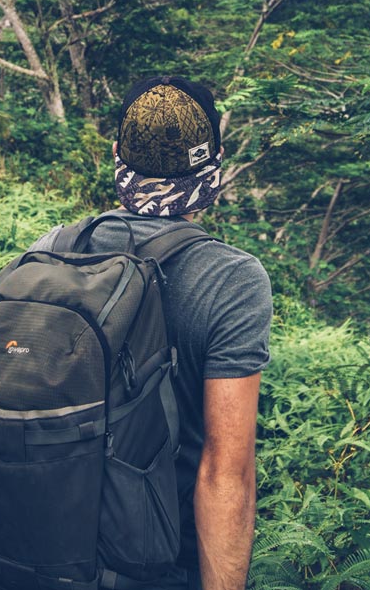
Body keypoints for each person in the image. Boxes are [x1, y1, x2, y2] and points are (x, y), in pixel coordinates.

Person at [32, 75, 273, 590]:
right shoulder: (231, 280)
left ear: (117, 154)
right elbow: (224, 473)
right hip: (152, 565)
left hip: (34, 545)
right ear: (214, 165)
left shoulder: (53, 247)